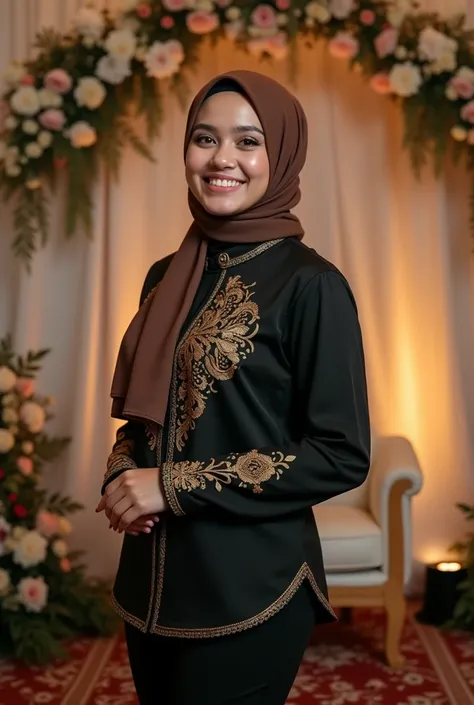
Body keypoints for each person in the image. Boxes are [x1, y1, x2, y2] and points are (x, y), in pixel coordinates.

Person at [96, 69, 371, 705]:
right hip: (151, 584)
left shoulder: (312, 285)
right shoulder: (166, 275)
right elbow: (145, 419)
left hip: (249, 587)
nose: (222, 159)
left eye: (248, 141)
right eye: (204, 138)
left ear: (281, 154)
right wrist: (120, 473)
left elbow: (340, 452)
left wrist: (170, 485)